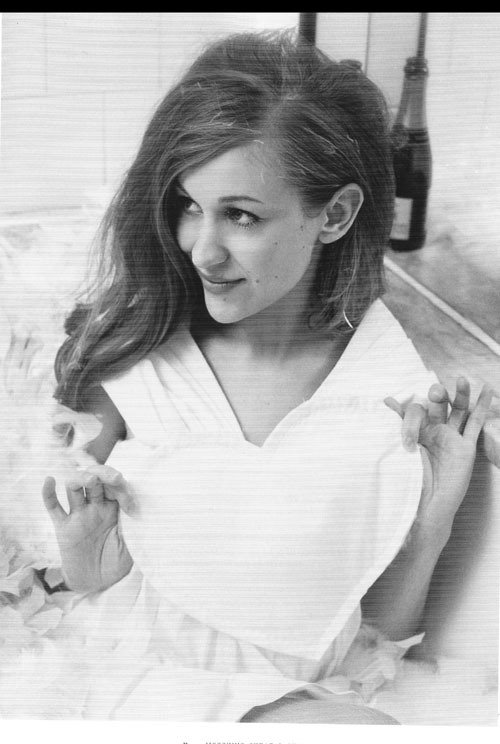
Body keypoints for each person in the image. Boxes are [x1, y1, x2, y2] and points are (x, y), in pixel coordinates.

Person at [40, 29, 493, 723]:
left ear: (335, 214)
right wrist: (89, 563)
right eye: (188, 205)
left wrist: (431, 518)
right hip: (139, 694)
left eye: (241, 216)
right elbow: (66, 608)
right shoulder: (133, 361)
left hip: (312, 706)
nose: (202, 250)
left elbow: (375, 650)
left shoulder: (384, 386)